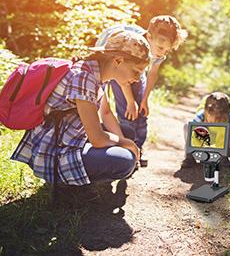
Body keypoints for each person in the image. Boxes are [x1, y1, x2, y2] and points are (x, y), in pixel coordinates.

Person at [11, 30, 151, 186]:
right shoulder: (84, 78)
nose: (138, 79)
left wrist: (124, 140)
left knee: (127, 132)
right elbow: (97, 139)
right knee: (125, 160)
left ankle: (82, 175)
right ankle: (68, 185)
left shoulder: (98, 75)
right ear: (118, 61)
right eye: (136, 71)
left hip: (72, 137)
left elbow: (105, 112)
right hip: (55, 152)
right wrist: (128, 144)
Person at [96, 16, 187, 167]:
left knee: (141, 110)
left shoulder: (158, 50)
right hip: (115, 62)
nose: (162, 53)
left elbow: (152, 73)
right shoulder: (133, 45)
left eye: (166, 50)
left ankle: (138, 146)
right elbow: (123, 77)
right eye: (160, 48)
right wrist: (130, 102)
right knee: (127, 108)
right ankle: (127, 147)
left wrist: (144, 99)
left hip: (135, 64)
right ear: (149, 37)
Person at [181, 92, 230, 168]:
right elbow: (193, 135)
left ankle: (224, 158)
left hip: (221, 146)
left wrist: (227, 138)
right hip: (203, 143)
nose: (217, 121)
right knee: (187, 126)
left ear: (227, 114)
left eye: (221, 118)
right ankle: (190, 157)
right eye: (214, 117)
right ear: (206, 112)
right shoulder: (200, 117)